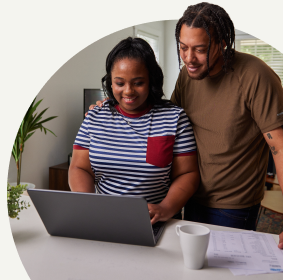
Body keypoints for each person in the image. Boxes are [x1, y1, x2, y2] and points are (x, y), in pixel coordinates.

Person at [90, 2, 283, 263]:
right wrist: (113, 103)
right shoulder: (187, 76)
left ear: (223, 42)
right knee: (187, 267)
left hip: (232, 206)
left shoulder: (255, 77)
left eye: (200, 49)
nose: (189, 58)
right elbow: (165, 119)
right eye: (183, 48)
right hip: (186, 195)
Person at [69, 37, 200, 225]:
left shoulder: (174, 118)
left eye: (138, 83)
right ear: (110, 83)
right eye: (120, 83)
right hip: (103, 219)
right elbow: (79, 167)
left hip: (156, 222)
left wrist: (165, 208)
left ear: (151, 81)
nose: (128, 91)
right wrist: (89, 204)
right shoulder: (95, 116)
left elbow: (187, 174)